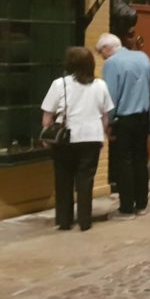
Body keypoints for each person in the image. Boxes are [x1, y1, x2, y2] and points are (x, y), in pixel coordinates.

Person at [40, 47, 114, 231]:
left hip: (66, 138)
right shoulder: (100, 85)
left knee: (63, 179)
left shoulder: (60, 84)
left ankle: (64, 220)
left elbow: (48, 114)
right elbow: (105, 116)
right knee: (85, 180)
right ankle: (84, 221)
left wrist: (46, 134)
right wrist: (106, 133)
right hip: (91, 137)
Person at [96, 33, 150, 220]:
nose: (102, 57)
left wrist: (107, 123)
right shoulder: (143, 57)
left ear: (108, 48)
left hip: (123, 120)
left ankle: (126, 207)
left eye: (101, 53)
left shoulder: (112, 64)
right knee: (141, 160)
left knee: (124, 162)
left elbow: (110, 97)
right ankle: (142, 204)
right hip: (143, 117)